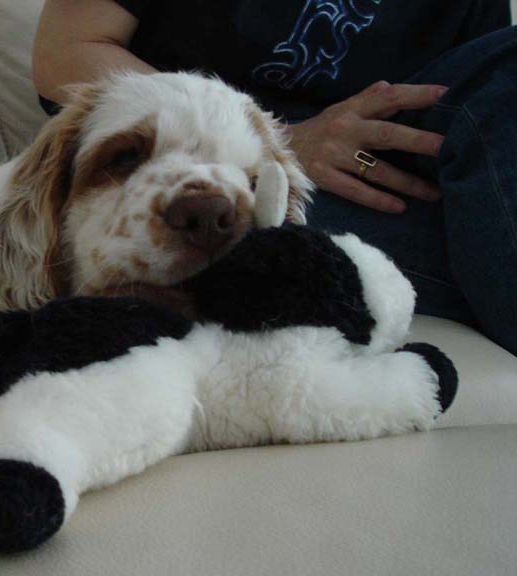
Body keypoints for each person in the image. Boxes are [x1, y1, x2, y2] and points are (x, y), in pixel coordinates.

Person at [32, 0, 517, 355]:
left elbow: (490, 133)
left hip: (398, 199)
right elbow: (63, 51)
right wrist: (286, 141)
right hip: (234, 193)